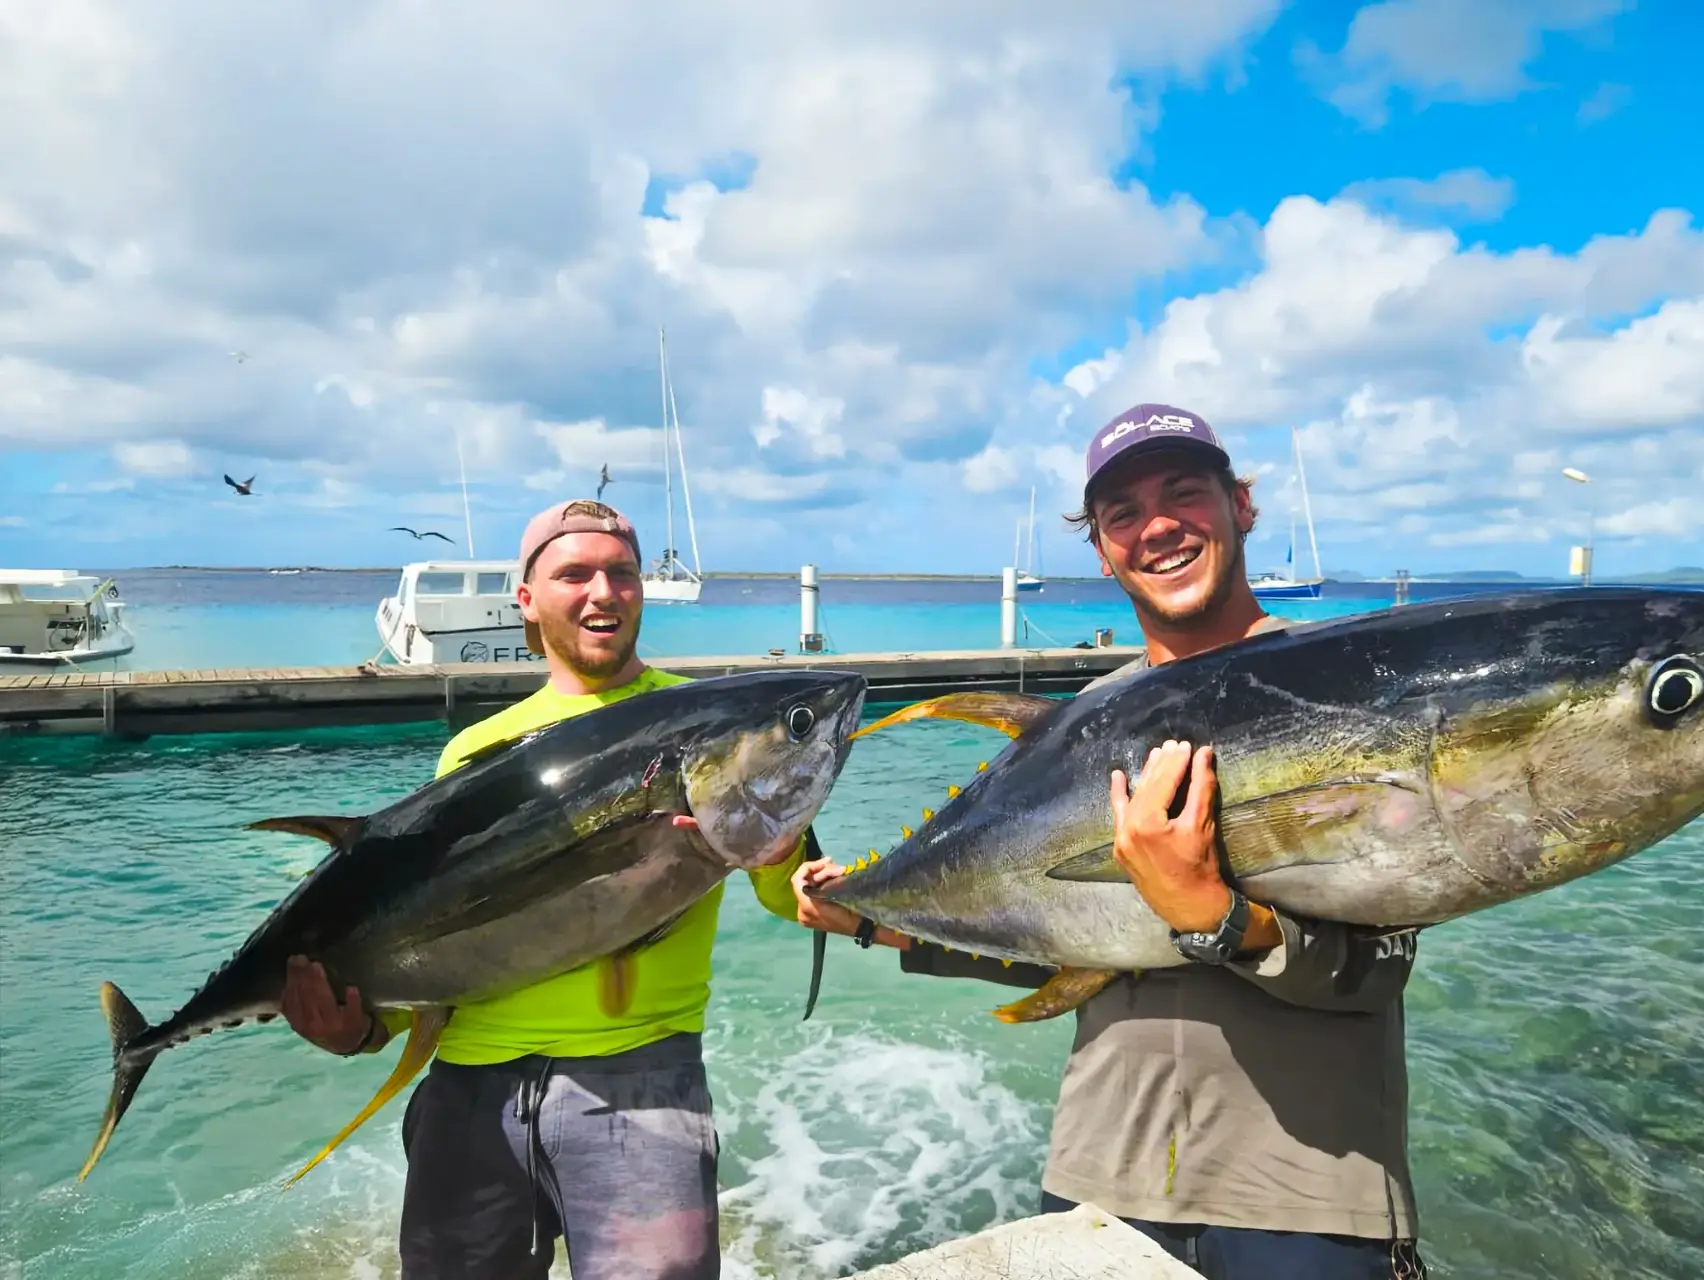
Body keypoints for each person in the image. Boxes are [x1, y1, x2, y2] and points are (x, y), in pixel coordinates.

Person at [793, 405, 1428, 1280]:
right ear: (1100, 550)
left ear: (1241, 505)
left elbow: (1379, 963)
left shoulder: (1344, 686)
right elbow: (1052, 927)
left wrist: (1213, 914)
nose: (1157, 526)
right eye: (1121, 513)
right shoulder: (1079, 726)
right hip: (1102, 1184)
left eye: (1184, 493)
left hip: (1310, 1196)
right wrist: (872, 919)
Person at [280, 498, 809, 1280]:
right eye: (575, 573)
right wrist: (363, 1030)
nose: (603, 592)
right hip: (467, 1084)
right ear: (525, 599)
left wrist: (776, 851)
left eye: (622, 573)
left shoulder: (714, 722)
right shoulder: (478, 748)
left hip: (641, 1081)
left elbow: (791, 893)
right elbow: (440, 925)